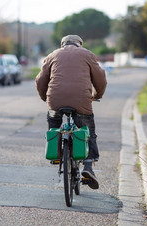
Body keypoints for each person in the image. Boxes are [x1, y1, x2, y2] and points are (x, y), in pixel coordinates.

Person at [35, 34, 107, 189]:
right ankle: (88, 166)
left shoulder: (52, 55)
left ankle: (56, 154)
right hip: (81, 100)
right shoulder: (87, 54)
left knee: (54, 124)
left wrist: (46, 98)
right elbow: (100, 78)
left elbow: (40, 80)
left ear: (63, 45)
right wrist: (97, 95)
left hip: (55, 99)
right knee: (88, 132)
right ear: (79, 44)